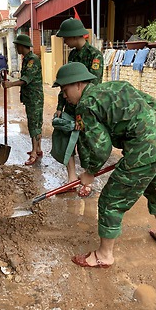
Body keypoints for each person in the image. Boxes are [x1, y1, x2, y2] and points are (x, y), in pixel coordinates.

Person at [52, 62, 156, 268]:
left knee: (110, 201)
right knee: (153, 188)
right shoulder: (117, 86)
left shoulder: (86, 105)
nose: (64, 96)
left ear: (79, 84)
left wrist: (90, 172)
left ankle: (104, 255)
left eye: (65, 90)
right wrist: (149, 136)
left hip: (142, 153)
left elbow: (101, 147)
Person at [55, 18, 104, 197]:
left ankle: (86, 180)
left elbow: (93, 87)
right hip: (70, 105)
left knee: (85, 143)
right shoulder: (73, 55)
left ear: (74, 36)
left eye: (65, 38)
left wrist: (81, 115)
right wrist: (61, 105)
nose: (64, 41)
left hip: (85, 108)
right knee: (68, 141)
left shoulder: (95, 55)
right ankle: (71, 177)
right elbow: (65, 83)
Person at [2, 34, 44, 165]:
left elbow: (26, 79)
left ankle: (33, 153)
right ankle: (38, 149)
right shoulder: (26, 59)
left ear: (22, 46)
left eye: (16, 46)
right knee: (35, 122)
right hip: (30, 97)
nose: (15, 48)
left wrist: (11, 84)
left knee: (34, 124)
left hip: (34, 98)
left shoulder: (32, 59)